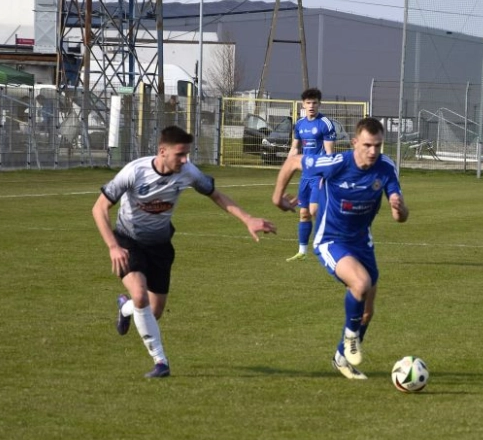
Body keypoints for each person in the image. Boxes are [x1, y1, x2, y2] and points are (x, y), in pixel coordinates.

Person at [92, 125, 277, 378]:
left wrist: (248, 219)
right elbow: (99, 208)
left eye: (187, 154)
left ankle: (124, 308)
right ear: (162, 151)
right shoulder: (134, 172)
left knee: (152, 311)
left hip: (160, 247)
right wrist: (113, 246)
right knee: (141, 296)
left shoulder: (188, 172)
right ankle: (161, 362)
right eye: (180, 154)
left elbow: (217, 196)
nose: (185, 159)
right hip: (128, 241)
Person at [272, 117, 408, 380]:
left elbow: (400, 216)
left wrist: (399, 207)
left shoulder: (386, 168)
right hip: (330, 239)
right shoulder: (336, 163)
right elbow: (292, 162)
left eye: (378, 146)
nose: (373, 151)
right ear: (355, 142)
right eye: (367, 145)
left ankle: (341, 358)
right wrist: (277, 198)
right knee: (360, 283)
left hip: (362, 243)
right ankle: (350, 338)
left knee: (367, 311)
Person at [285, 87, 337, 262]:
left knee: (315, 210)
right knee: (304, 213)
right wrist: (286, 168)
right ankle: (302, 252)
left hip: (319, 176)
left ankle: (332, 242)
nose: (311, 106)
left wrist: (327, 175)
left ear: (319, 104)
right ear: (303, 104)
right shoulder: (299, 124)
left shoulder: (325, 124)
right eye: (308, 103)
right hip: (305, 176)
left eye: (315, 103)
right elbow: (294, 148)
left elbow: (330, 153)